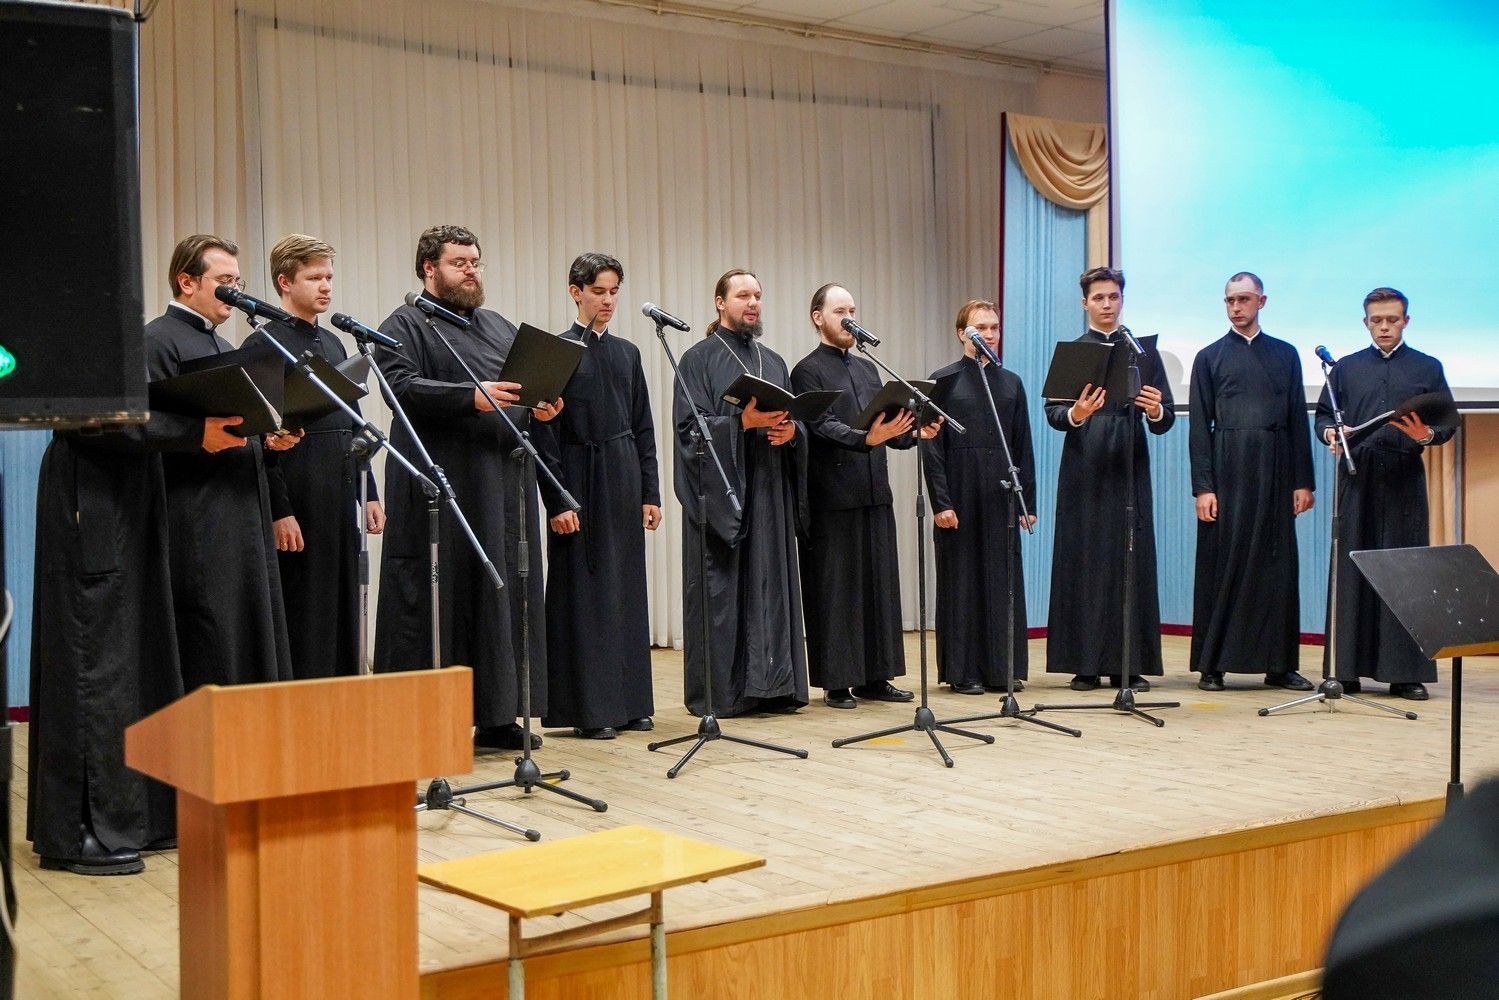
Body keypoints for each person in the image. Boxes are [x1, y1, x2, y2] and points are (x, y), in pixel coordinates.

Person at [25, 241, 254, 874]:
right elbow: (90, 418)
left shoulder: (110, 326)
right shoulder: (69, 329)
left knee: (130, 659)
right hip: (91, 500)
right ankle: (83, 831)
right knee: (93, 660)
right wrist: (190, 435)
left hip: (130, 495)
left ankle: (135, 814)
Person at [373, 225, 561, 749]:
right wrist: (470, 397)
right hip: (444, 482)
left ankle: (499, 715)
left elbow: (517, 389)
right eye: (460, 262)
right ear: (429, 269)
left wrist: (540, 403)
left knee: (504, 592)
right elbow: (399, 387)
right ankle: (430, 718)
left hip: (503, 482)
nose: (472, 270)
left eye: (475, 261)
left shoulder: (498, 325)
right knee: (444, 594)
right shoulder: (404, 324)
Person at [143, 234, 297, 691]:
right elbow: (144, 424)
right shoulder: (156, 340)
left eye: (237, 281)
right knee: (210, 634)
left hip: (239, 514)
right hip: (196, 516)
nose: (234, 291)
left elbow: (232, 421)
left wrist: (269, 438)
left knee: (244, 632)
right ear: (186, 281)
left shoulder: (216, 342)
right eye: (223, 281)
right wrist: (197, 435)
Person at [790, 284, 936, 708]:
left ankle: (876, 676)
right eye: (840, 311)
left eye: (853, 310)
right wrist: (864, 437)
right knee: (836, 590)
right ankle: (837, 681)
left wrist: (913, 433)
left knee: (878, 587)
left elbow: (885, 430)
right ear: (818, 317)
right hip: (832, 497)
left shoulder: (869, 369)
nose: (849, 318)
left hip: (874, 493)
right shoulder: (807, 370)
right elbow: (821, 425)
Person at [672, 268, 809, 717]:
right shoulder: (698, 359)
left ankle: (775, 687)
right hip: (726, 495)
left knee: (771, 586)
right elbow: (688, 431)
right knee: (724, 590)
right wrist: (739, 424)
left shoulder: (775, 362)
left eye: (758, 295)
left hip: (770, 489)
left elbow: (795, 419)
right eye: (743, 295)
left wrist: (792, 433)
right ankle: (725, 694)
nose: (753, 303)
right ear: (720, 302)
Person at [245, 235, 384, 679]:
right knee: (305, 609)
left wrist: (371, 492)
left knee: (341, 605)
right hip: (298, 489)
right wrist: (279, 509)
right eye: (314, 277)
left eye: (329, 277)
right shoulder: (265, 344)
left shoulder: (335, 343)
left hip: (339, 488)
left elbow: (354, 420)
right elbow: (260, 437)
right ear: (284, 282)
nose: (326, 286)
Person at [535, 252, 661, 739]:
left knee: (625, 591)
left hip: (623, 478)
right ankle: (589, 709)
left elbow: (644, 426)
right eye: (599, 292)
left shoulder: (628, 352)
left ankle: (630, 703)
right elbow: (543, 435)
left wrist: (649, 490)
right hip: (578, 482)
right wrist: (558, 500)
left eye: (614, 292)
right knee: (585, 596)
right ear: (576, 292)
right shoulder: (557, 350)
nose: (608, 301)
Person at [1315, 287, 1454, 700]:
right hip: (1357, 480)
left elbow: (1446, 421)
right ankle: (1347, 669)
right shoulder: (1345, 369)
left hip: (1403, 479)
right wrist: (1329, 433)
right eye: (1377, 320)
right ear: (1366, 323)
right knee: (1352, 569)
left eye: (1392, 320)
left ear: (1406, 321)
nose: (1385, 327)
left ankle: (1404, 672)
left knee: (1405, 570)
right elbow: (1325, 414)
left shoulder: (1427, 366)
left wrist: (1427, 434)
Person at [1045, 266, 1176, 690]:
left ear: (1123, 300)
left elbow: (1165, 418)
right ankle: (1084, 664)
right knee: (1083, 559)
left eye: (1113, 297)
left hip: (1128, 463)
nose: (1106, 304)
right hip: (1085, 465)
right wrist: (1076, 414)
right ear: (1085, 302)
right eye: (1098, 297)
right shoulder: (1073, 351)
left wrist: (1155, 409)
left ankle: (1129, 663)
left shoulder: (1141, 351)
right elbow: (1052, 413)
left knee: (1129, 559)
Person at [1189, 273, 1315, 692]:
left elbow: (1298, 416)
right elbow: (1199, 430)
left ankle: (1279, 665)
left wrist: (1303, 480)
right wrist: (1202, 487)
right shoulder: (1209, 357)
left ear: (1262, 300)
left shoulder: (1286, 354)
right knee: (1222, 563)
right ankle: (1213, 664)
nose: (1237, 307)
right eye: (1230, 300)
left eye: (1244, 299)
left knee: (1276, 567)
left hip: (1277, 470)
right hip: (1227, 471)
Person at [924, 300, 1036, 695]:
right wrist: (941, 503)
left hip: (1000, 495)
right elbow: (932, 449)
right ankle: (964, 671)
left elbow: (1022, 444)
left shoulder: (1011, 383)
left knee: (1002, 581)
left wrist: (1029, 504)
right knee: (963, 581)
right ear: (961, 334)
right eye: (980, 328)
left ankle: (1003, 668)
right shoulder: (943, 380)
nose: (989, 335)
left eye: (994, 327)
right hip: (960, 492)